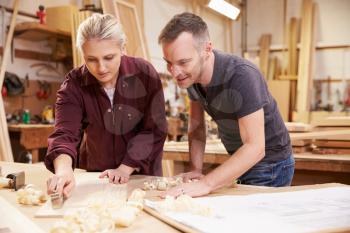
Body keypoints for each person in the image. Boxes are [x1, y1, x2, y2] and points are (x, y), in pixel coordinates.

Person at [158, 12, 294, 198]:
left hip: (269, 164)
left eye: (183, 62)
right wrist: (196, 170)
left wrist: (206, 184)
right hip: (240, 158)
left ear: (207, 49)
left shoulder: (242, 76)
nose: (175, 72)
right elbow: (197, 128)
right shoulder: (191, 77)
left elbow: (255, 147)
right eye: (169, 63)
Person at [45, 14, 167, 198]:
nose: (101, 68)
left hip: (142, 175)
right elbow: (65, 133)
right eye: (91, 59)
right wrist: (63, 170)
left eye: (109, 57)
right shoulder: (74, 83)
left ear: (123, 48)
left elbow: (154, 129)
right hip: (98, 177)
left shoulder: (144, 74)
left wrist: (125, 168)